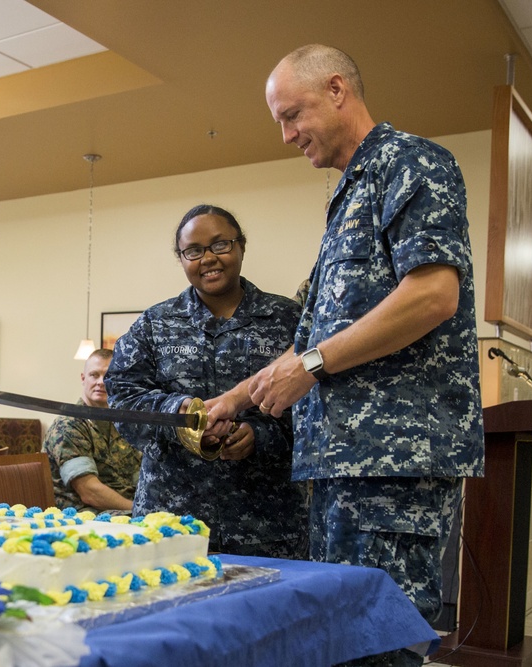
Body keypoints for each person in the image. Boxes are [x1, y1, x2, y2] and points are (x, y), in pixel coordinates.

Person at [204, 44, 485, 640]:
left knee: (378, 640)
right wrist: (234, 399)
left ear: (337, 91)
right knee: (338, 639)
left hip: (392, 465)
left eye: (291, 114)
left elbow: (433, 294)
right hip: (338, 467)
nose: (285, 135)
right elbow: (313, 336)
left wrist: (309, 364)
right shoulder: (346, 197)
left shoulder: (413, 163)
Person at [106, 204, 308, 558]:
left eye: (220, 245)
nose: (208, 259)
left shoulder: (289, 320)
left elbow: (316, 406)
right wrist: (179, 413)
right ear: (181, 259)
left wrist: (259, 436)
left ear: (241, 246)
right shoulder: (154, 324)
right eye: (193, 251)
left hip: (267, 526)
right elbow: (122, 401)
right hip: (169, 523)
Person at [42, 348, 142, 514]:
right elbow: (89, 492)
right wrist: (140, 510)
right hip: (83, 516)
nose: (101, 382)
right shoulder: (69, 425)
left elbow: (140, 477)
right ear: (83, 378)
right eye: (94, 375)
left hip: (123, 511)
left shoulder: (122, 424)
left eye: (108, 376)